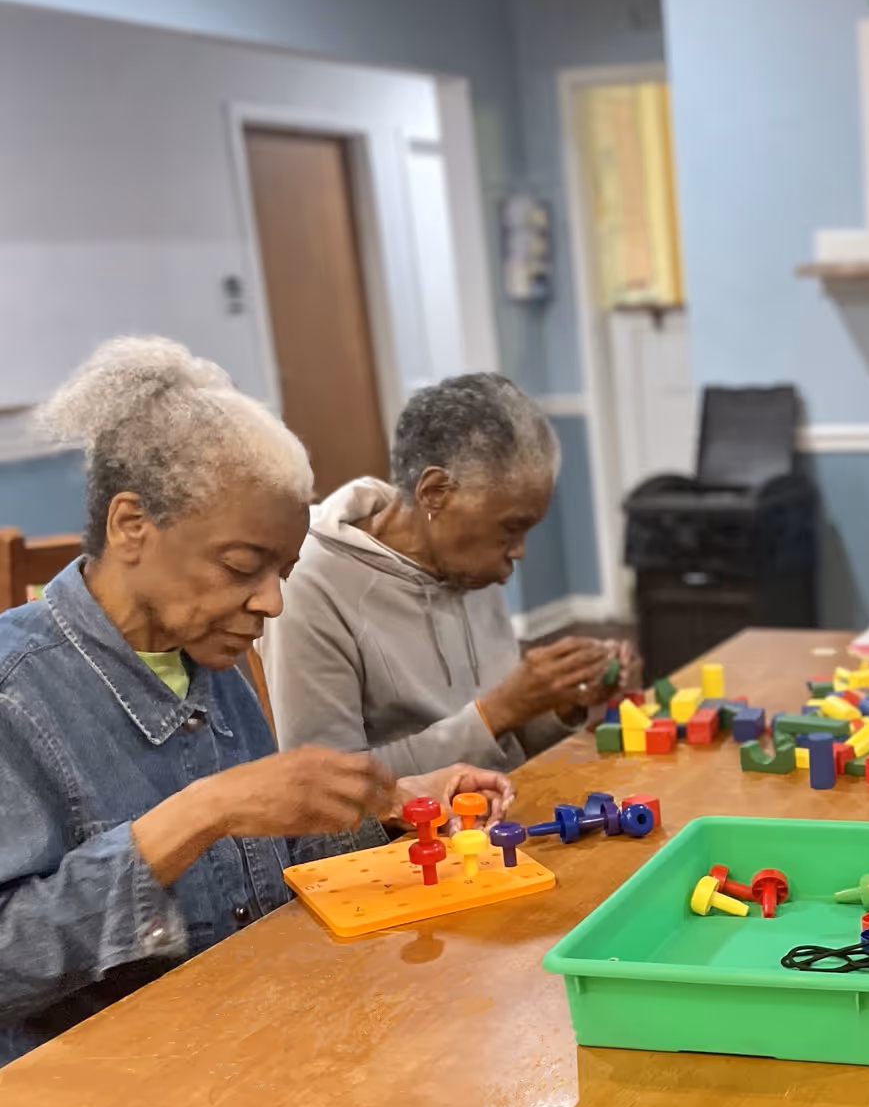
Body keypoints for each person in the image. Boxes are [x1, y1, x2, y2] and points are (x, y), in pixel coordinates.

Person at [0, 338, 511, 1065]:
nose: (271, 601)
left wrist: (386, 803)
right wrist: (203, 812)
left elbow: (253, 869)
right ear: (131, 526)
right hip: (102, 1106)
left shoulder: (203, 654)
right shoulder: (15, 690)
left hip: (251, 1044)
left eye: (284, 570)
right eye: (242, 566)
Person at [263, 373, 633, 776]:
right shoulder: (309, 583)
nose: (519, 552)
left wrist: (558, 700)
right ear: (435, 492)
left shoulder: (464, 562)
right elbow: (323, 788)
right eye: (510, 529)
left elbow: (502, 744)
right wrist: (498, 711)